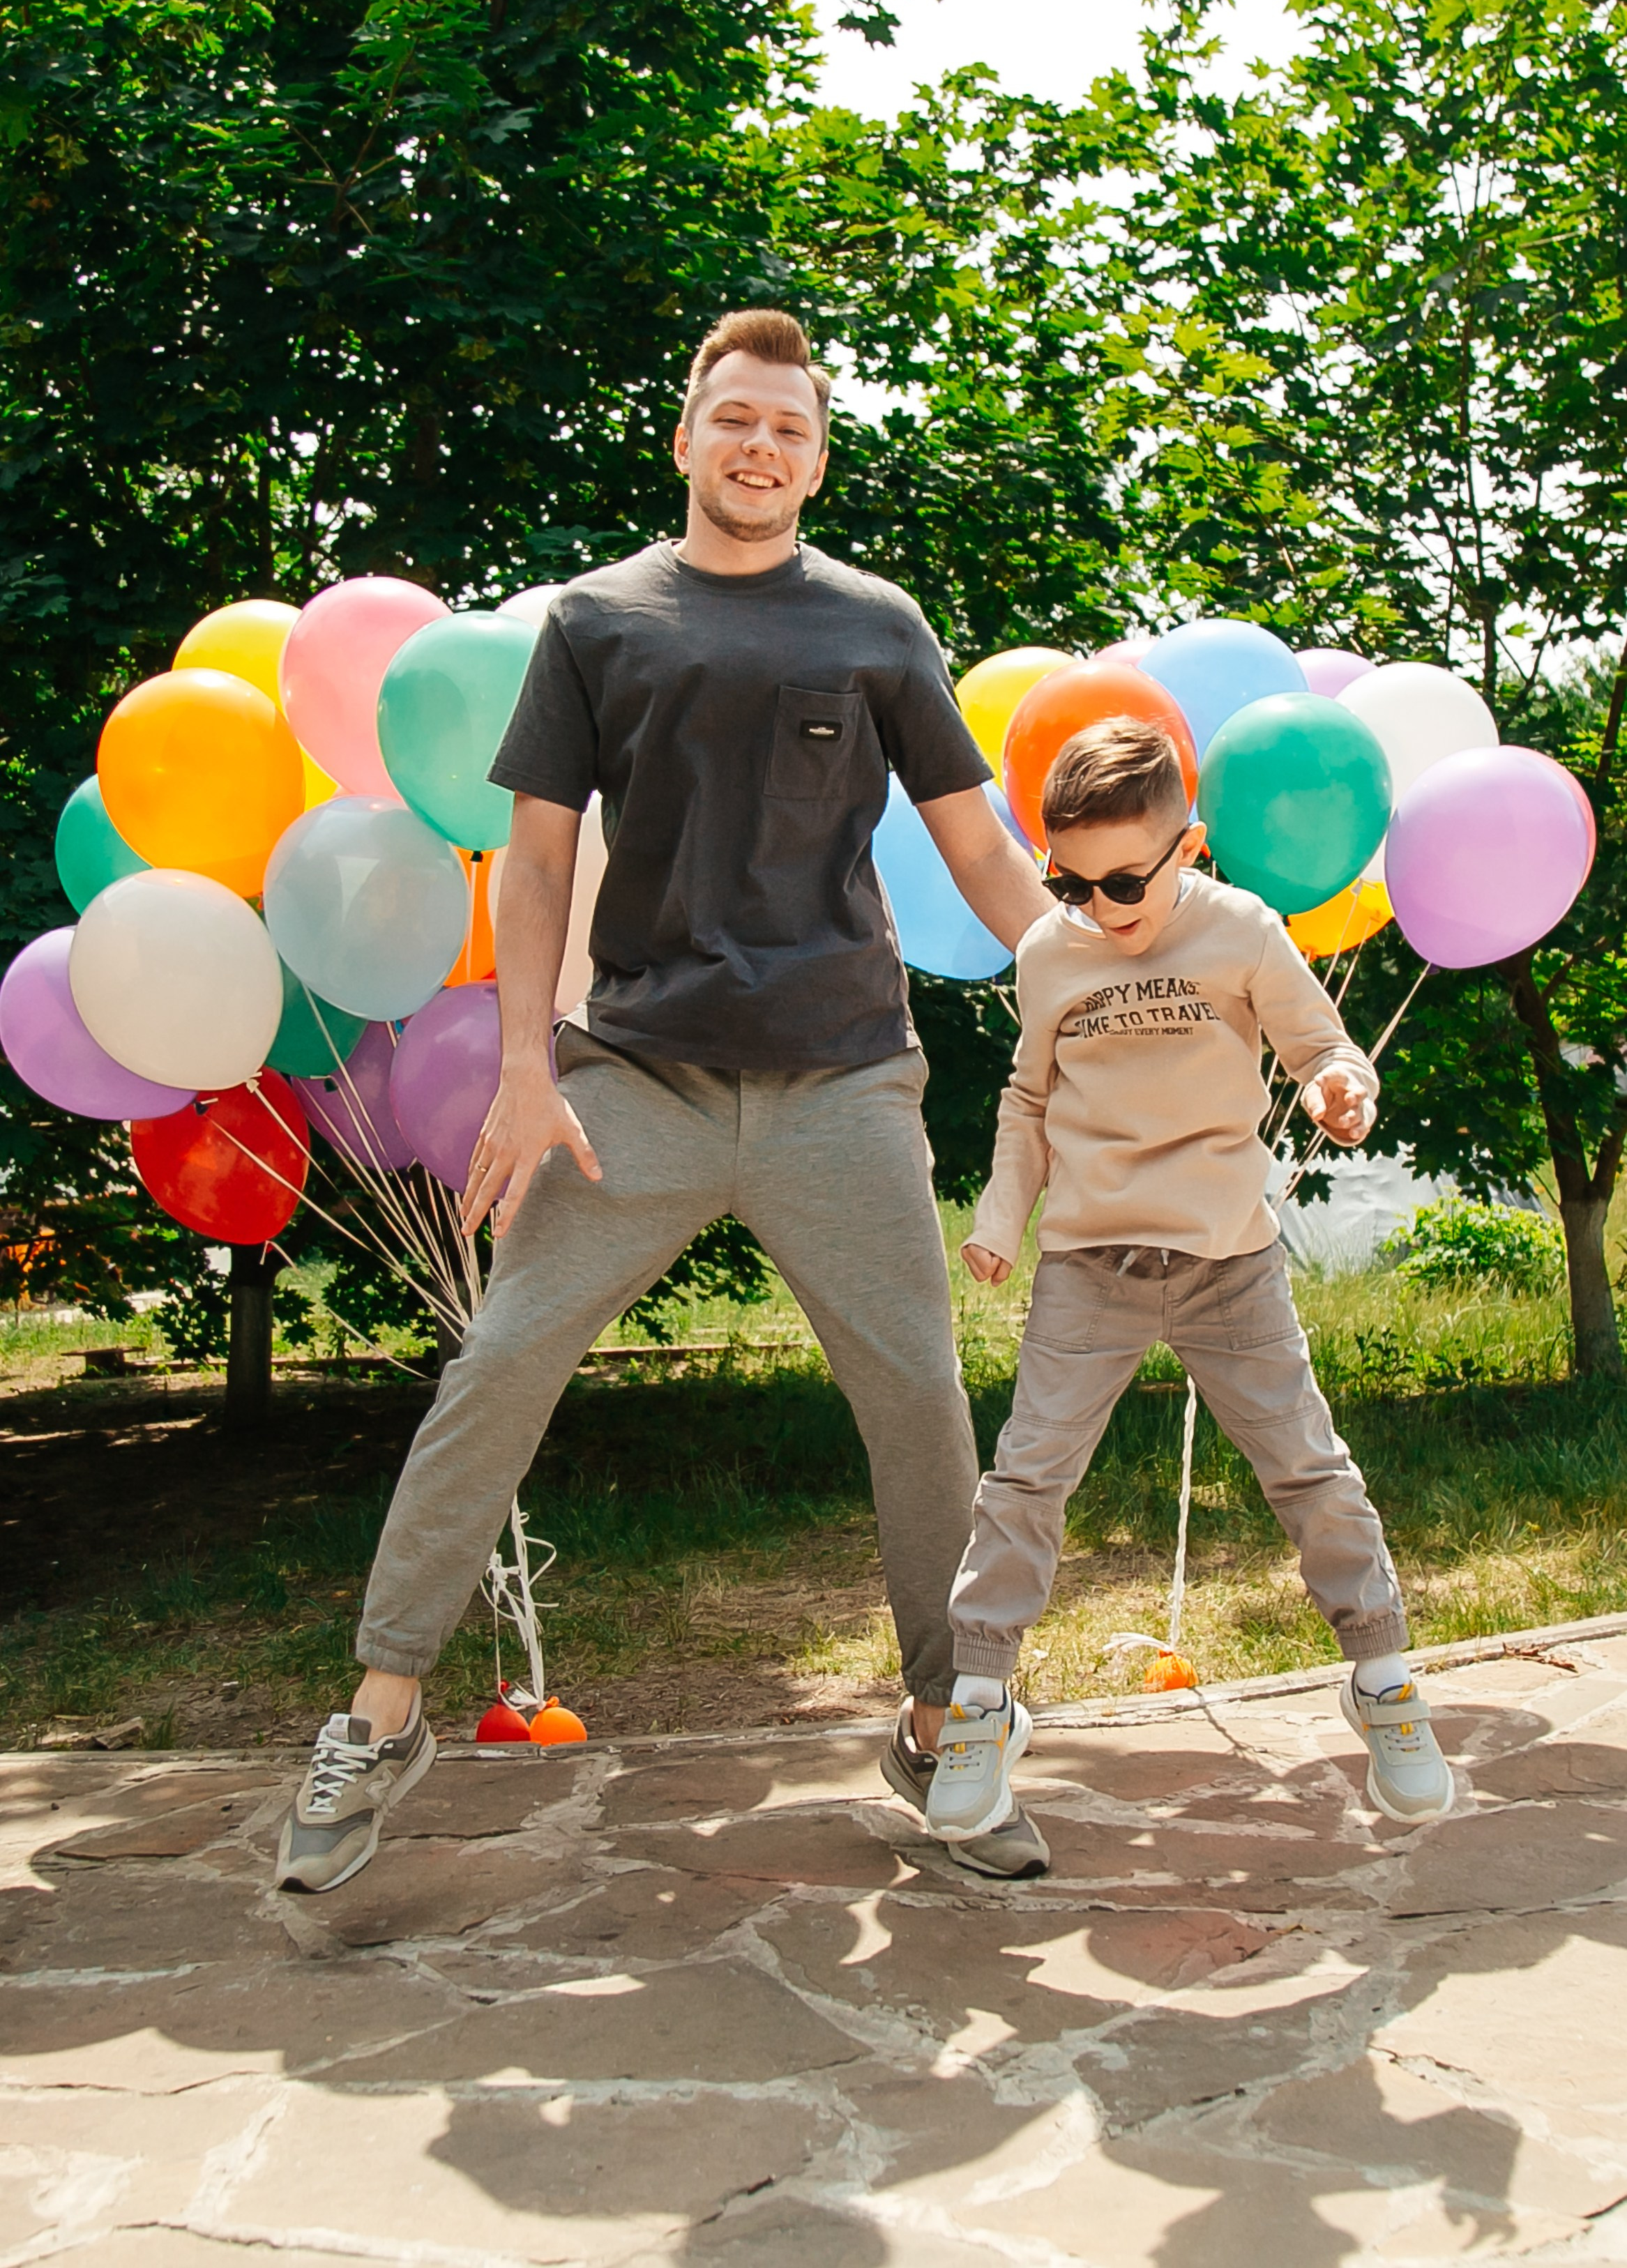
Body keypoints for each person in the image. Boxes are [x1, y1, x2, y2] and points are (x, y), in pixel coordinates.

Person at [275, 307, 1054, 1895]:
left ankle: (941, 1722)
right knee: (501, 1363)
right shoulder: (596, 621)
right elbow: (545, 855)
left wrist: (1090, 976)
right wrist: (519, 1065)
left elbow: (975, 843)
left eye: (792, 426)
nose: (763, 446)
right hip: (633, 1077)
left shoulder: (877, 624)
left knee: (917, 1395)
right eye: (737, 419)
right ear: (689, 433)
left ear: (817, 456)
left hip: (843, 1076)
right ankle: (380, 1710)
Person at [925, 716, 1455, 1855]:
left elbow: (1321, 1046)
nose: (1100, 906)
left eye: (1125, 879)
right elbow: (1026, 1105)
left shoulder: (1240, 931)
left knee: (1307, 1469)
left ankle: (1383, 1678)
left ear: (1190, 847)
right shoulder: (1052, 951)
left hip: (1228, 1261)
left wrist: (1336, 1089)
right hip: (1087, 1266)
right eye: (1071, 879)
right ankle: (979, 1707)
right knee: (1022, 1484)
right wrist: (998, 1220)